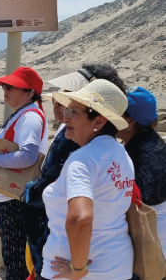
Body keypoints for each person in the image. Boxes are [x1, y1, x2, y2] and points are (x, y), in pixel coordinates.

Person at [22, 64, 127, 278]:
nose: (65, 117)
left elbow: (81, 218)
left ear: (98, 120)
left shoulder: (82, 159)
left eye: (73, 111)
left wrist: (77, 270)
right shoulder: (119, 152)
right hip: (115, 266)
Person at [0, 67, 48, 280]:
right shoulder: (22, 114)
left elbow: (28, 156)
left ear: (29, 92)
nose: (5, 89)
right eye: (4, 86)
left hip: (11, 200)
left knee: (17, 261)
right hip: (6, 197)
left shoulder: (30, 117)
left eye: (11, 86)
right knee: (13, 258)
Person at [117, 87, 166, 259]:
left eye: (116, 114)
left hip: (150, 243)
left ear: (130, 122)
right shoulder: (145, 142)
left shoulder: (145, 156)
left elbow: (137, 202)